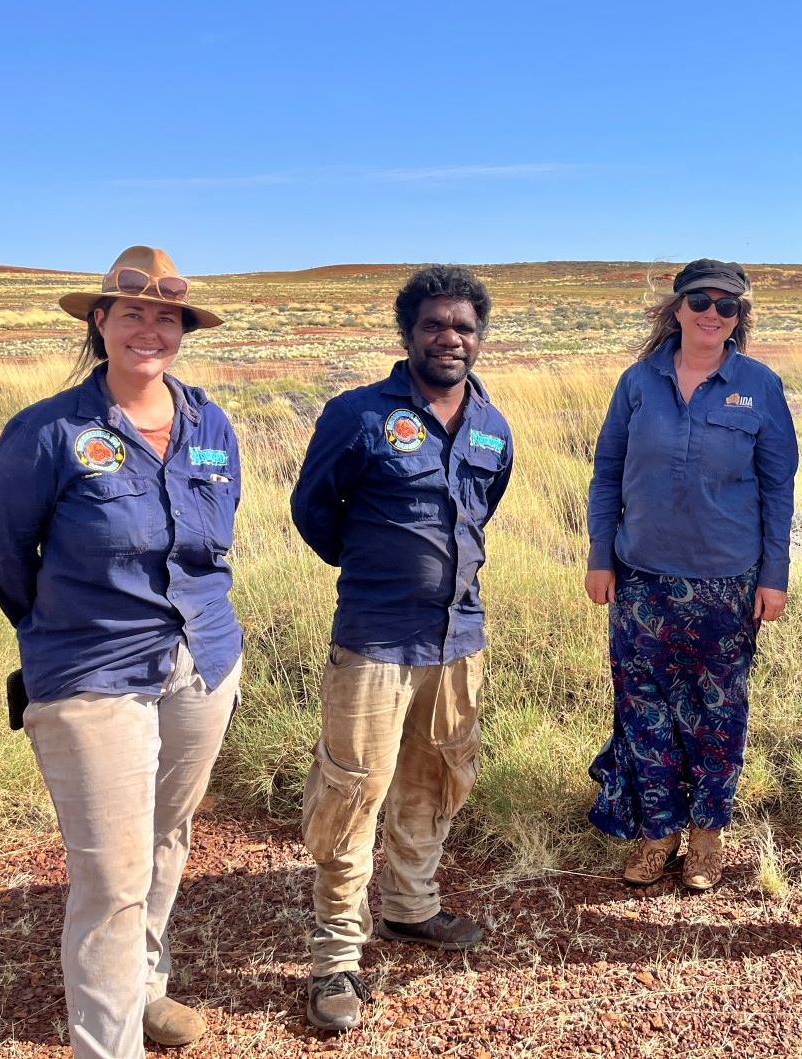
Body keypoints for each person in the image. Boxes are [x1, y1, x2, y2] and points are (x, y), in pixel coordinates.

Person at [0, 246, 243, 1056]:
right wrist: (60, 638)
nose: (150, 330)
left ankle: (144, 987)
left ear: (183, 331)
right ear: (101, 321)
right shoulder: (48, 431)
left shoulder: (211, 426)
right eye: (133, 313)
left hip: (200, 661)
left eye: (167, 317)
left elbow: (215, 541)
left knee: (167, 837)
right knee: (111, 877)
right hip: (93, 674)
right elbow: (0, 553)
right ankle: (109, 1043)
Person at [290, 265, 513, 1033]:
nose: (450, 337)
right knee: (352, 788)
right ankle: (333, 958)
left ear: (478, 337)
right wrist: (379, 569)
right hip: (376, 636)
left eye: (464, 326)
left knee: (437, 773)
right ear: (407, 333)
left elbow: (483, 510)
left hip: (460, 636)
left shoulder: (491, 425)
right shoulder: (358, 414)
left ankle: (411, 908)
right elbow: (314, 511)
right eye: (434, 325)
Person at [584, 259, 799, 890]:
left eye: (727, 305)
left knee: (718, 712)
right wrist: (601, 557)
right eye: (700, 300)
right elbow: (606, 475)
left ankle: (707, 838)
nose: (713, 313)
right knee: (643, 710)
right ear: (676, 308)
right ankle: (657, 832)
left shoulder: (759, 385)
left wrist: (774, 575)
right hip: (641, 577)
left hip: (726, 581)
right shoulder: (637, 382)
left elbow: (776, 487)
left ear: (740, 317)